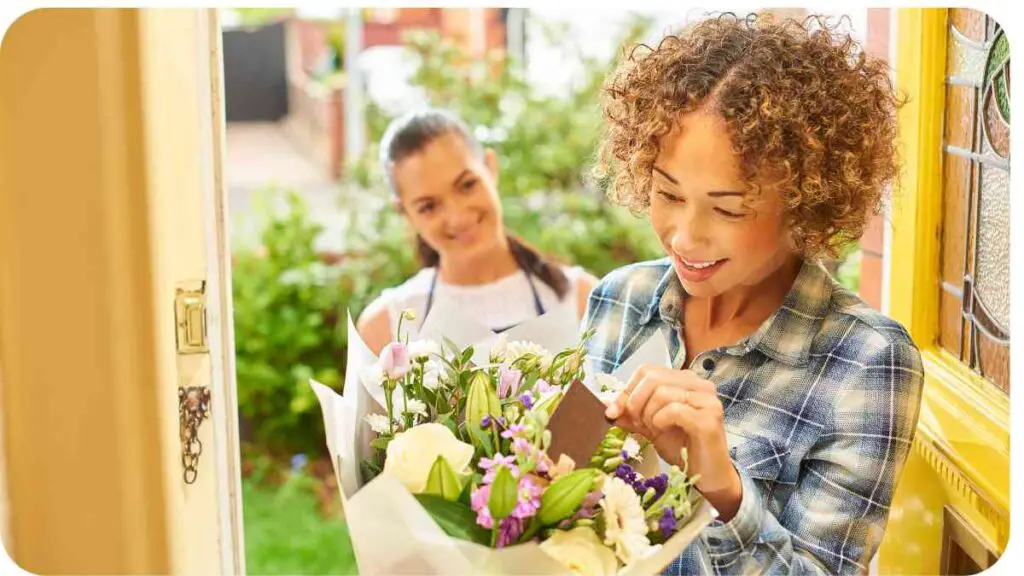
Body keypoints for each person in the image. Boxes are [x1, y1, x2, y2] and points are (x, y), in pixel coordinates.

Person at [585, 14, 923, 575]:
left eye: (727, 208)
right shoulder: (619, 297)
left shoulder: (867, 362)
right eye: (668, 194)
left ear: (806, 204)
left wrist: (723, 489)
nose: (686, 236)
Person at [358, 109, 598, 354]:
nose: (457, 217)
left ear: (491, 167)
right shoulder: (385, 329)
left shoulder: (583, 300)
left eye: (467, 185)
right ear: (405, 213)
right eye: (429, 206)